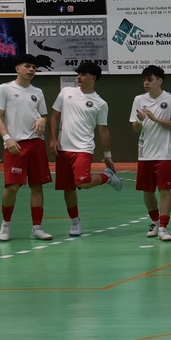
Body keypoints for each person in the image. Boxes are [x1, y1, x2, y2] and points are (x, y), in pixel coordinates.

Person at [49, 62, 122, 238]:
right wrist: (52, 139)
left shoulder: (100, 104)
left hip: (83, 149)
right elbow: (55, 116)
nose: (79, 77)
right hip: (63, 149)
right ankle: (75, 221)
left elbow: (103, 130)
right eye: (78, 74)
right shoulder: (66, 93)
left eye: (83, 74)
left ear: (93, 78)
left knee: (82, 182)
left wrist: (107, 156)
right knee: (68, 189)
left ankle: (107, 177)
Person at [0, 54, 52, 241]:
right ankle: (5, 225)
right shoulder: (5, 89)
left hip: (36, 143)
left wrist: (43, 120)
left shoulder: (38, 92)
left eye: (34, 67)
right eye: (27, 66)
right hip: (15, 144)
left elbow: (43, 115)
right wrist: (7, 138)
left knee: (37, 186)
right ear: (17, 68)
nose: (31, 69)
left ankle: (37, 228)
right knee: (12, 187)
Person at [130, 66, 171, 242]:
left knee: (165, 191)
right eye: (144, 80)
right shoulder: (138, 99)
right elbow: (135, 128)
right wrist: (140, 121)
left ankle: (164, 227)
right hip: (145, 153)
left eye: (150, 79)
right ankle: (155, 222)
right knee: (147, 192)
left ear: (159, 81)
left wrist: (154, 118)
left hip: (164, 153)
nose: (146, 83)